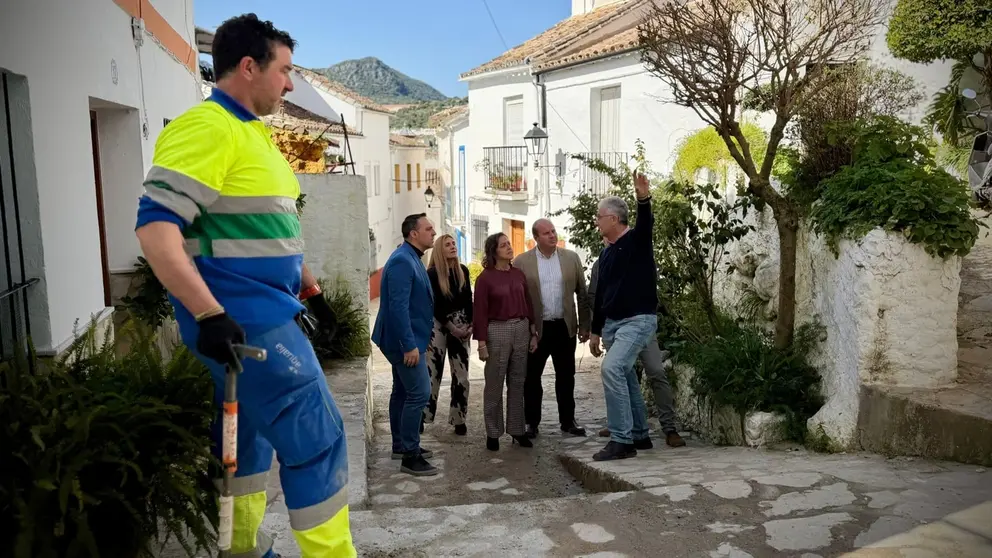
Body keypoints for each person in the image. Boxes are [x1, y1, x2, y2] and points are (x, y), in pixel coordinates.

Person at [133, 14, 354, 557]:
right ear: (249, 67)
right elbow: (156, 229)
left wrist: (313, 294)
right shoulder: (208, 128)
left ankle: (242, 550)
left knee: (245, 440)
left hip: (258, 316)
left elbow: (272, 230)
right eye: (285, 70)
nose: (290, 85)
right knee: (318, 439)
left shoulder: (252, 132)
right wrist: (208, 314)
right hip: (247, 321)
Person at [589, 239, 686, 448]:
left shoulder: (638, 253)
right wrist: (596, 330)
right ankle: (623, 424)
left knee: (656, 371)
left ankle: (669, 428)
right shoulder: (601, 261)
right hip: (614, 327)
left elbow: (650, 288)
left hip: (640, 325)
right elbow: (595, 296)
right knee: (619, 373)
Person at [589, 172, 658, 461]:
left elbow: (645, 224)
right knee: (626, 376)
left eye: (599, 216)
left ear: (614, 219)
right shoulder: (606, 253)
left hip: (638, 320)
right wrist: (595, 330)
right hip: (613, 324)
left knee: (612, 368)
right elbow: (601, 295)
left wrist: (643, 199)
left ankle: (621, 440)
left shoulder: (636, 242)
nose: (596, 221)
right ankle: (640, 433)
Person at [371, 213, 438, 476]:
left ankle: (400, 445)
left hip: (408, 337)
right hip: (401, 341)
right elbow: (398, 308)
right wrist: (409, 345)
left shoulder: (411, 256)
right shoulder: (402, 260)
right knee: (419, 393)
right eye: (428, 228)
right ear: (414, 234)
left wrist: (421, 339)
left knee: (401, 390)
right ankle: (410, 455)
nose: (434, 232)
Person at [513, 219, 590, 439]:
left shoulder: (571, 258)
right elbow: (518, 297)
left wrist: (585, 325)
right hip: (537, 329)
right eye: (546, 233)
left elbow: (582, 293)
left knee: (566, 375)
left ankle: (568, 420)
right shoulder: (522, 262)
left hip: (564, 326)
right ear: (536, 238)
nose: (552, 235)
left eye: (554, 231)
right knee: (532, 377)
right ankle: (531, 422)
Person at [473, 233, 537, 451]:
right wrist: (482, 343)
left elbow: (528, 302)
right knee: (494, 382)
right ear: (494, 251)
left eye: (509, 243)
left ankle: (517, 430)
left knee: (518, 381)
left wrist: (533, 331)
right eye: (503, 245)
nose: (509, 247)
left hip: (521, 328)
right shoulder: (485, 279)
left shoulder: (518, 274)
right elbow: (480, 312)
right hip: (497, 330)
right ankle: (493, 433)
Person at [424, 234, 473, 436]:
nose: (453, 246)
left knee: (461, 375)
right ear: (439, 250)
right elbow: (434, 304)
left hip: (462, 325)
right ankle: (423, 416)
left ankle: (459, 419)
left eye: (453, 243)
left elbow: (469, 299)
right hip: (439, 325)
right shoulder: (432, 274)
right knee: (432, 373)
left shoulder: (463, 271)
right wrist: (452, 327)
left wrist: (470, 325)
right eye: (447, 244)